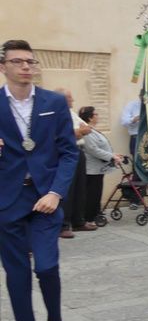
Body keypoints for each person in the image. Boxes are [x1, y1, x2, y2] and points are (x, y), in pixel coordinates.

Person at [0, 39, 79, 321]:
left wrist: (56, 192)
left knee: (47, 267)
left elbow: (69, 152)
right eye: (17, 61)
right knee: (17, 275)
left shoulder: (53, 103)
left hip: (45, 199)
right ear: (3, 66)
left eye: (30, 61)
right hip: (7, 203)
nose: (26, 67)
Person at [55, 88, 95, 238]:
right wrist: (78, 132)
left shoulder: (71, 113)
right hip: (65, 153)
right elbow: (65, 135)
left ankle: (78, 221)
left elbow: (87, 128)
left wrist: (79, 132)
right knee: (68, 189)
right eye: (69, 98)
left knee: (80, 188)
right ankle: (63, 225)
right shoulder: (56, 114)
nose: (72, 100)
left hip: (78, 151)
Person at [78, 106, 122, 225]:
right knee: (92, 194)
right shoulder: (86, 131)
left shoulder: (92, 130)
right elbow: (92, 149)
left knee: (96, 193)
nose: (98, 116)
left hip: (98, 168)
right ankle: (89, 217)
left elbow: (100, 146)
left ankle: (95, 214)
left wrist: (113, 154)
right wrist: (111, 156)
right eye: (96, 114)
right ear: (90, 117)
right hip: (91, 169)